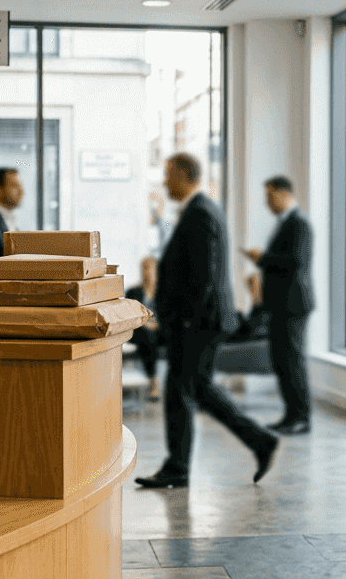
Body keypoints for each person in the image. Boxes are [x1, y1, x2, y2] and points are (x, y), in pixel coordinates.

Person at [134, 153, 280, 489]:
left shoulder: (200, 213)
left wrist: (185, 321)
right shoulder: (198, 211)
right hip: (200, 322)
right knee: (195, 388)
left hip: (198, 323)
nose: (165, 182)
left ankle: (180, 466)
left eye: (169, 175)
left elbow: (205, 276)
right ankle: (257, 442)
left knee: (181, 390)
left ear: (184, 175)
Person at [243, 175, 316, 435]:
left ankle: (301, 417)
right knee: (283, 361)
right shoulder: (285, 223)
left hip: (293, 305)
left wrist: (263, 258)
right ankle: (291, 415)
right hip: (280, 305)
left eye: (269, 196)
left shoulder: (299, 224)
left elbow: (296, 261)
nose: (267, 202)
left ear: (283, 193)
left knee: (293, 360)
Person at [125, 255, 162, 401]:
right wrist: (147, 324)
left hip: (160, 330)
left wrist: (157, 324)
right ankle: (154, 384)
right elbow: (130, 316)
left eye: (150, 268)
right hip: (141, 331)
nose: (147, 272)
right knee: (147, 337)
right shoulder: (133, 292)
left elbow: (168, 315)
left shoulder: (163, 293)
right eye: (144, 268)